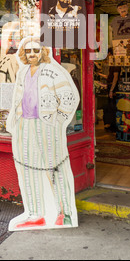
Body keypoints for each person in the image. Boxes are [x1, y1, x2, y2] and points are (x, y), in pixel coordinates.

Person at [6, 36, 79, 231]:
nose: (31, 54)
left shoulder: (53, 71)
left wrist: (58, 121)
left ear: (42, 52)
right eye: (28, 51)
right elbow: (17, 100)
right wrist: (13, 120)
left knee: (54, 166)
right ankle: (35, 214)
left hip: (46, 124)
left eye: (35, 51)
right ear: (24, 53)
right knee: (27, 168)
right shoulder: (22, 74)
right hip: (24, 124)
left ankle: (65, 214)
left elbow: (69, 98)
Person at [103, 48, 121, 132]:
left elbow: (115, 77)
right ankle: (111, 124)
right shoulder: (112, 64)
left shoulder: (116, 64)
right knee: (110, 106)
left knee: (112, 106)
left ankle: (113, 125)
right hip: (111, 86)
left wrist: (111, 90)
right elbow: (110, 77)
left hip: (113, 88)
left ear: (110, 53)